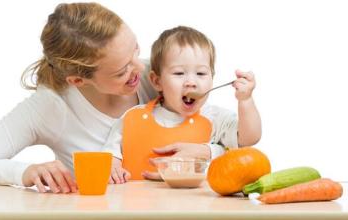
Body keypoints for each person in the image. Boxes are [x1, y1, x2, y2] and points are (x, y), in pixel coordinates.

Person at [0, 3, 225, 194]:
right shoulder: (51, 106)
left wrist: (207, 151)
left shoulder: (161, 78)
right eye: (121, 70)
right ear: (78, 81)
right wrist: (23, 171)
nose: (139, 67)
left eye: (135, 50)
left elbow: (225, 134)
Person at [103, 26, 261, 184]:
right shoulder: (132, 117)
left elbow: (249, 138)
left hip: (196, 206)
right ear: (157, 81)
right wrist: (113, 165)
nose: (191, 82)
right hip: (139, 205)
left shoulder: (216, 118)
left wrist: (245, 100)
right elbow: (110, 156)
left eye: (201, 73)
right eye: (179, 73)